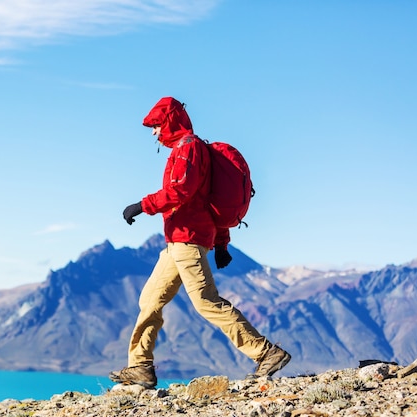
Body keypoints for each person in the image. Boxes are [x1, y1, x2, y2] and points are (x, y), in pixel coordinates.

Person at [109, 97, 290, 389]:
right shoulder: (193, 149)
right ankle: (140, 367)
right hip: (180, 240)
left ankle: (266, 352)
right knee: (150, 300)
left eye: (156, 126)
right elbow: (207, 201)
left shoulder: (188, 149)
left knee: (206, 301)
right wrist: (221, 242)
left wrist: (141, 206)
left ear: (168, 122)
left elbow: (180, 191)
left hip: (187, 239)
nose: (154, 133)